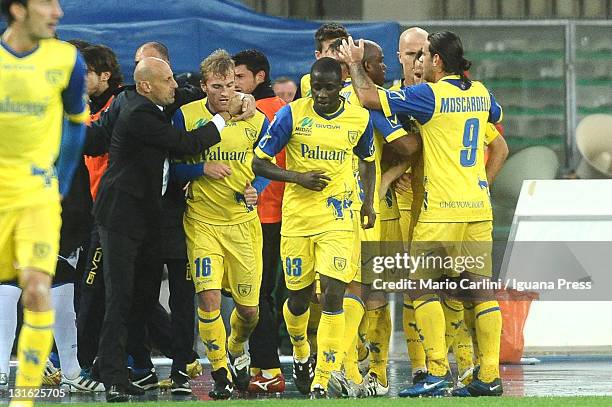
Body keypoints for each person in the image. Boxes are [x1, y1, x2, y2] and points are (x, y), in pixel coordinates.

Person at [339, 31, 509, 397]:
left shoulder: (428, 95)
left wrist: (354, 63)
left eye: (426, 56)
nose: (421, 62)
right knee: (481, 291)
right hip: (478, 207)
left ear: (438, 61)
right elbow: (496, 117)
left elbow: (368, 97)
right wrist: (483, 182)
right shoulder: (480, 92)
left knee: (419, 286)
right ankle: (490, 375)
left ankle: (434, 371)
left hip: (441, 209)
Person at [92, 56, 234, 402]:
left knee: (139, 298)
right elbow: (183, 144)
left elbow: (182, 97)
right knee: (120, 297)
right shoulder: (140, 114)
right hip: (121, 217)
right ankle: (112, 377)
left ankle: (117, 368)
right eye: (167, 80)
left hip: (146, 216)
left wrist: (221, 95)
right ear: (146, 86)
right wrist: (221, 119)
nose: (174, 86)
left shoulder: (135, 100)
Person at [253, 57, 376, 399]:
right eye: (317, 87)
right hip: (298, 220)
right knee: (297, 297)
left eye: (329, 87)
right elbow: (258, 161)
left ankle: (324, 375)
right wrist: (298, 177)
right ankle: (300, 351)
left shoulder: (359, 118)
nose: (322, 94)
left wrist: (367, 203)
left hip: (338, 217)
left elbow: (367, 161)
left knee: (334, 294)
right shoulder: (291, 114)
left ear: (340, 87)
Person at [0, 1, 88, 406]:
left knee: (37, 288)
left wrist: (60, 182)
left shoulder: (67, 60)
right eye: (46, 4)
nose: (57, 12)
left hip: (37, 197)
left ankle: (23, 399)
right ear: (18, 10)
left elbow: (75, 124)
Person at [171, 49, 268, 400]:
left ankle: (237, 347)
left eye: (230, 85)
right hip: (202, 222)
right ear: (203, 86)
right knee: (209, 298)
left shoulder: (256, 119)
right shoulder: (186, 116)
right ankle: (220, 370)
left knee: (249, 311)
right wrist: (200, 169)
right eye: (217, 86)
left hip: (242, 224)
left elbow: (266, 164)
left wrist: (257, 190)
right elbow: (170, 166)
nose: (225, 92)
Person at [233, 49, 288, 394]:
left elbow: (264, 165)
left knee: (258, 295)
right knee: (264, 294)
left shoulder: (264, 112)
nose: (234, 85)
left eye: (239, 78)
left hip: (262, 217)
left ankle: (267, 367)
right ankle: (263, 364)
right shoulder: (282, 110)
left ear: (259, 78)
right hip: (272, 216)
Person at [298, 22, 349, 99]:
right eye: (331, 49)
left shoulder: (360, 83)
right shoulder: (306, 81)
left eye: (340, 47)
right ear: (318, 55)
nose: (337, 53)